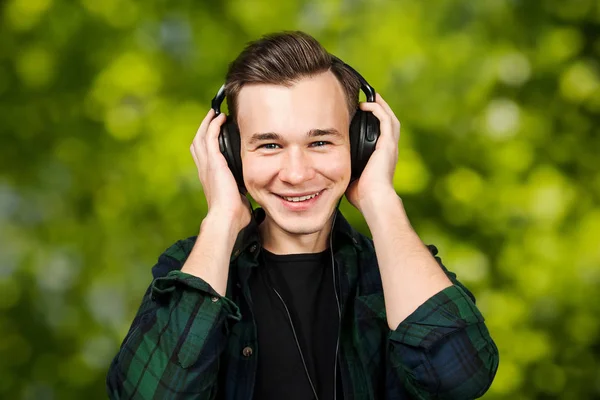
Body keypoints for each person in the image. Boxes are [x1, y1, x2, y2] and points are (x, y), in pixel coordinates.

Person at [106, 31, 499, 400]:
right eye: (270, 145)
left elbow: (460, 380)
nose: (296, 174)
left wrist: (380, 198)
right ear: (228, 153)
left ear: (363, 145)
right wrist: (222, 219)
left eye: (321, 141)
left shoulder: (392, 272)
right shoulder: (192, 267)